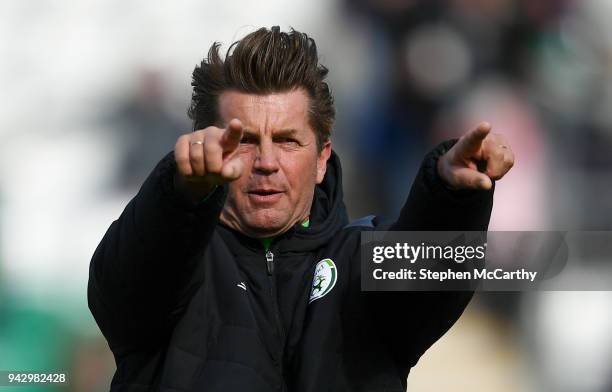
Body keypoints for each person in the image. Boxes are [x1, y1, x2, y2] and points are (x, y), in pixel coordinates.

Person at [88, 27, 514, 391]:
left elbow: (433, 280)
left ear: (323, 157)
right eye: (247, 140)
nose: (267, 162)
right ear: (206, 147)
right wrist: (180, 192)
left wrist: (452, 196)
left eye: (288, 140)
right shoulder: (166, 265)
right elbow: (128, 283)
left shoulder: (359, 263)